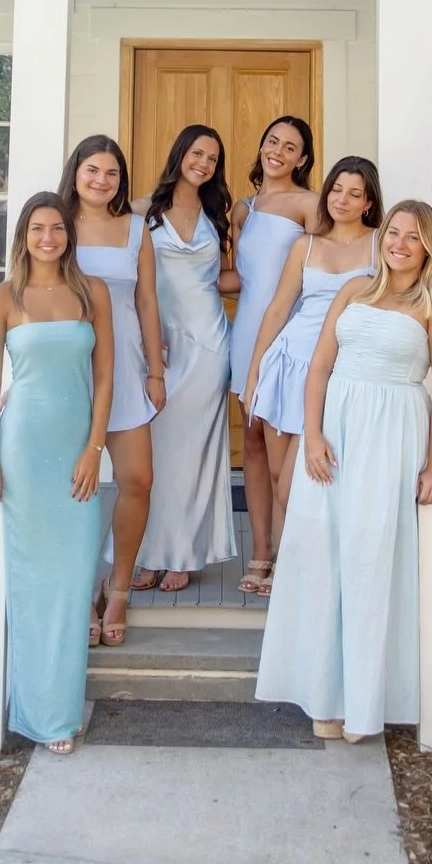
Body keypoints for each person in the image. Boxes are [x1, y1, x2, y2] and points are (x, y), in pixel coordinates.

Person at [256, 199, 432, 742]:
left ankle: (364, 701)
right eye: (392, 232)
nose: (398, 243)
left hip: (393, 437)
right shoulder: (354, 290)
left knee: (371, 558)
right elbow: (320, 365)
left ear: (428, 246)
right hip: (335, 436)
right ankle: (323, 694)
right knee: (322, 553)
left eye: (411, 237)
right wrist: (313, 434)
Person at [0, 193, 113, 756]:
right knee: (32, 581)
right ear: (24, 236)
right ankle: (44, 714)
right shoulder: (2, 298)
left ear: (68, 235)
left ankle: (58, 702)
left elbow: (105, 380)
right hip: (24, 452)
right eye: (38, 229)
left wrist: (94, 447)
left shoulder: (92, 293)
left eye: (57, 228)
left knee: (74, 578)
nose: (49, 238)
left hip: (76, 450)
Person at [242, 155, 382, 559]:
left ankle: (307, 573)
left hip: (336, 373)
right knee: (275, 476)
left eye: (354, 193)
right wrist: (254, 377)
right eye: (336, 189)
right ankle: (285, 573)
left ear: (368, 202)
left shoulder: (379, 243)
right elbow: (277, 310)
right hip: (287, 365)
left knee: (298, 484)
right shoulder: (305, 245)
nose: (342, 199)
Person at [59, 135, 166, 647]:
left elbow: (147, 301)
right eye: (92, 170)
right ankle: (79, 591)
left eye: (112, 174)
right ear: (75, 172)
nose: (102, 181)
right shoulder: (56, 224)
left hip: (124, 366)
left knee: (138, 478)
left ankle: (117, 587)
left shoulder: (135, 228)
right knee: (71, 486)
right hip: (69, 364)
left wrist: (155, 372)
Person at [130, 124, 236, 591]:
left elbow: (233, 278)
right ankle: (149, 553)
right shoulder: (140, 212)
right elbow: (129, 282)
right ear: (181, 154)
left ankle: (184, 554)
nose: (204, 163)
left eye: (213, 159)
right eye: (198, 153)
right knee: (154, 452)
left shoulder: (220, 217)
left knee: (194, 455)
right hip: (160, 347)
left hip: (211, 344)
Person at [227, 116, 317, 596]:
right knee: (254, 445)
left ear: (303, 159)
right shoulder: (243, 210)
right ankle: (260, 551)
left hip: (291, 337)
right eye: (271, 141)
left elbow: (326, 265)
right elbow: (242, 278)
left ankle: (290, 553)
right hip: (247, 333)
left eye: (290, 146)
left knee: (288, 452)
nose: (277, 151)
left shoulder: (310, 204)